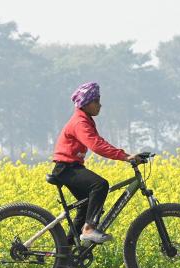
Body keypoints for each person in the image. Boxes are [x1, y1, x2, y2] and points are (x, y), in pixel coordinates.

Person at [52, 82, 141, 244]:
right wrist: (124, 156)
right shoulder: (80, 122)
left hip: (71, 167)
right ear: (86, 103)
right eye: (96, 101)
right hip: (65, 169)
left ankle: (66, 254)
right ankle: (89, 229)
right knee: (100, 185)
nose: (100, 105)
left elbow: (99, 141)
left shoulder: (85, 119)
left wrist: (127, 155)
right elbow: (96, 145)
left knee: (86, 207)